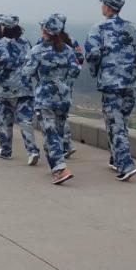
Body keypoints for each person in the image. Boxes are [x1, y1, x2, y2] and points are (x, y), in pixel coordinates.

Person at [84, 0, 136, 181]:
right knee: (121, 122)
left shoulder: (99, 28)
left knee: (115, 125)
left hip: (110, 84)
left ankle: (126, 165)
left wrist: (95, 71)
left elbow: (92, 54)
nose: (101, 7)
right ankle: (115, 159)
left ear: (108, 7)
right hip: (129, 82)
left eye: (103, 4)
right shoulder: (133, 27)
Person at [22, 14, 79, 185]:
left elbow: (26, 72)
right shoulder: (68, 50)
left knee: (50, 133)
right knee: (57, 133)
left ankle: (60, 169)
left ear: (45, 31)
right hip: (63, 96)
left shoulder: (38, 50)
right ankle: (56, 164)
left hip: (45, 97)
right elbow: (75, 70)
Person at [0, 15, 38, 164]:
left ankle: (6, 151)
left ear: (5, 28)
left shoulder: (1, 44)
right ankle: (32, 151)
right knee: (25, 121)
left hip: (6, 89)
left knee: (5, 121)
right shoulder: (26, 42)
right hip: (25, 87)